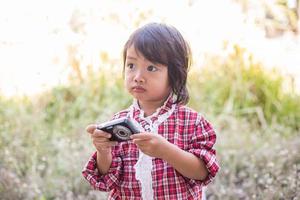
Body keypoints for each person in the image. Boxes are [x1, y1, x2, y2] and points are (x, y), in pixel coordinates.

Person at [82, 22, 219, 200]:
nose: (138, 77)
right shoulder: (120, 123)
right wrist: (103, 151)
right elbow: (108, 179)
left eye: (151, 68)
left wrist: (166, 151)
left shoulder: (191, 122)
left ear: (175, 75)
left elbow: (202, 173)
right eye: (131, 65)